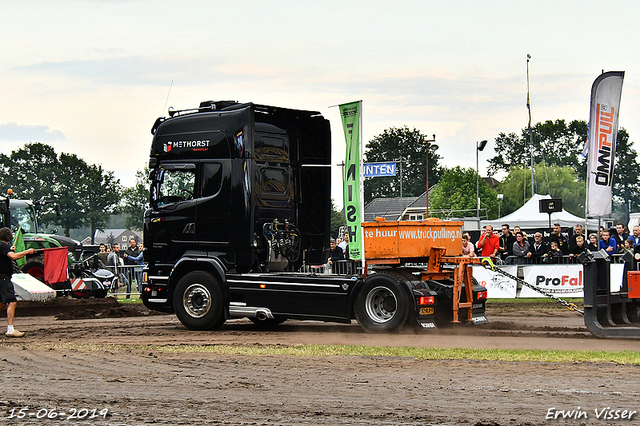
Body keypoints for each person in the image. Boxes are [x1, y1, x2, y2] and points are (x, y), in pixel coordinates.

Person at [0, 227, 37, 337]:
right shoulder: (3, 246)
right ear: (9, 236)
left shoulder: (3, 246)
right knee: (12, 301)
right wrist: (27, 252)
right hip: (3, 277)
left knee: (2, 303)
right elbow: (14, 256)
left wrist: (10, 249)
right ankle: (10, 329)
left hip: (1, 278)